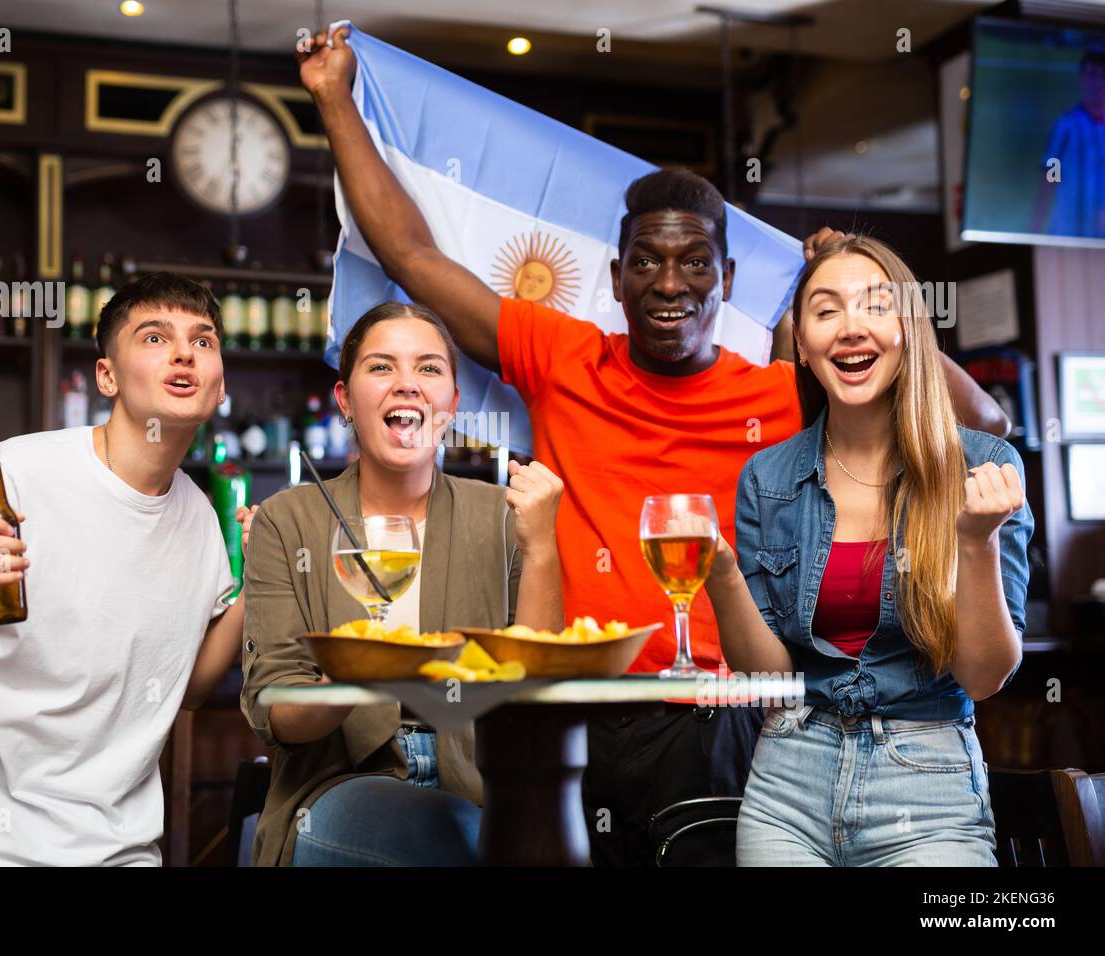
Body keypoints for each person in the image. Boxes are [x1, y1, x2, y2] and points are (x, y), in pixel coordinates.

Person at [297, 24, 1013, 866]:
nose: (670, 284)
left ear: (729, 279)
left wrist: (858, 292)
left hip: (712, 716)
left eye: (695, 263)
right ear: (616, 279)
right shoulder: (564, 357)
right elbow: (413, 257)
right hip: (572, 704)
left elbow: (979, 423)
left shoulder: (784, 391)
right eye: (647, 262)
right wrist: (335, 97)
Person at [0, 272, 249, 866]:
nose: (183, 353)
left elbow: (190, 690)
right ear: (107, 376)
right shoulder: (17, 475)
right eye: (154, 337)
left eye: (203, 341)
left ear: (220, 384)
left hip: (115, 851)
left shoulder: (200, 518)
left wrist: (261, 582)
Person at [700, 236, 1033, 865]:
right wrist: (720, 574)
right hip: (787, 784)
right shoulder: (766, 478)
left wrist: (975, 541)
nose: (851, 328)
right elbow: (768, 679)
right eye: (826, 312)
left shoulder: (984, 465)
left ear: (908, 329)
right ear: (802, 344)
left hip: (929, 784)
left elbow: (984, 678)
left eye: (875, 307)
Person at [239, 301, 564, 866]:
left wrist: (541, 549)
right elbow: (278, 714)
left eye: (429, 369)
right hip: (336, 791)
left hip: (481, 786)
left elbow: (534, 695)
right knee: (454, 836)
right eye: (382, 367)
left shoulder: (502, 513)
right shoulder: (287, 519)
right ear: (344, 399)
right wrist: (351, 675)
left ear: (453, 406)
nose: (408, 384)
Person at [1031, 41, 1105, 239]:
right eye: (1092, 75)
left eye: (1102, 76)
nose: (1098, 83)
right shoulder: (1066, 126)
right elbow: (1051, 176)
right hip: (1068, 233)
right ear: (1082, 79)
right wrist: (1035, 230)